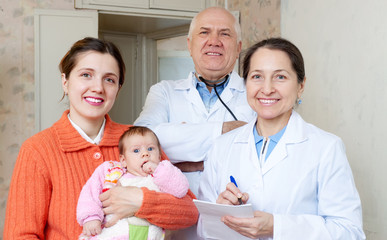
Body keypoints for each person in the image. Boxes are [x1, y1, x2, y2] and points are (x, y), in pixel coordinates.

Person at [3, 37, 198, 240]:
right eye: (86, 75)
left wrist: (141, 201)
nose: (98, 87)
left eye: (109, 79)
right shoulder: (38, 150)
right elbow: (20, 235)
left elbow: (189, 212)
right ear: (65, 81)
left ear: (117, 89)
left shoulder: (139, 141)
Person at [198, 37, 366, 239]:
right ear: (246, 84)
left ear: (301, 85)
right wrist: (221, 215)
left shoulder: (326, 148)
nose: (267, 89)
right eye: (257, 76)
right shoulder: (222, 147)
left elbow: (350, 232)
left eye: (280, 77)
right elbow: (202, 230)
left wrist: (277, 226)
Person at [134, 6, 256, 198]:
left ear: (238, 47)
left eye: (224, 34)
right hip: (176, 221)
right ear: (189, 45)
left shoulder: (256, 93)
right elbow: (138, 142)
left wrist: (179, 154)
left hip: (232, 218)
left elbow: (260, 156)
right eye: (204, 32)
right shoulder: (163, 91)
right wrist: (224, 130)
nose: (214, 41)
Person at [77, 126, 189, 240]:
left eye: (150, 149)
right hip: (115, 233)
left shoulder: (163, 177)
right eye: (136, 150)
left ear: (159, 157)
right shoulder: (111, 171)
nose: (145, 153)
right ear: (123, 160)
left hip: (150, 235)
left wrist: (159, 169)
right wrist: (91, 217)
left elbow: (180, 190)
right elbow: (90, 192)